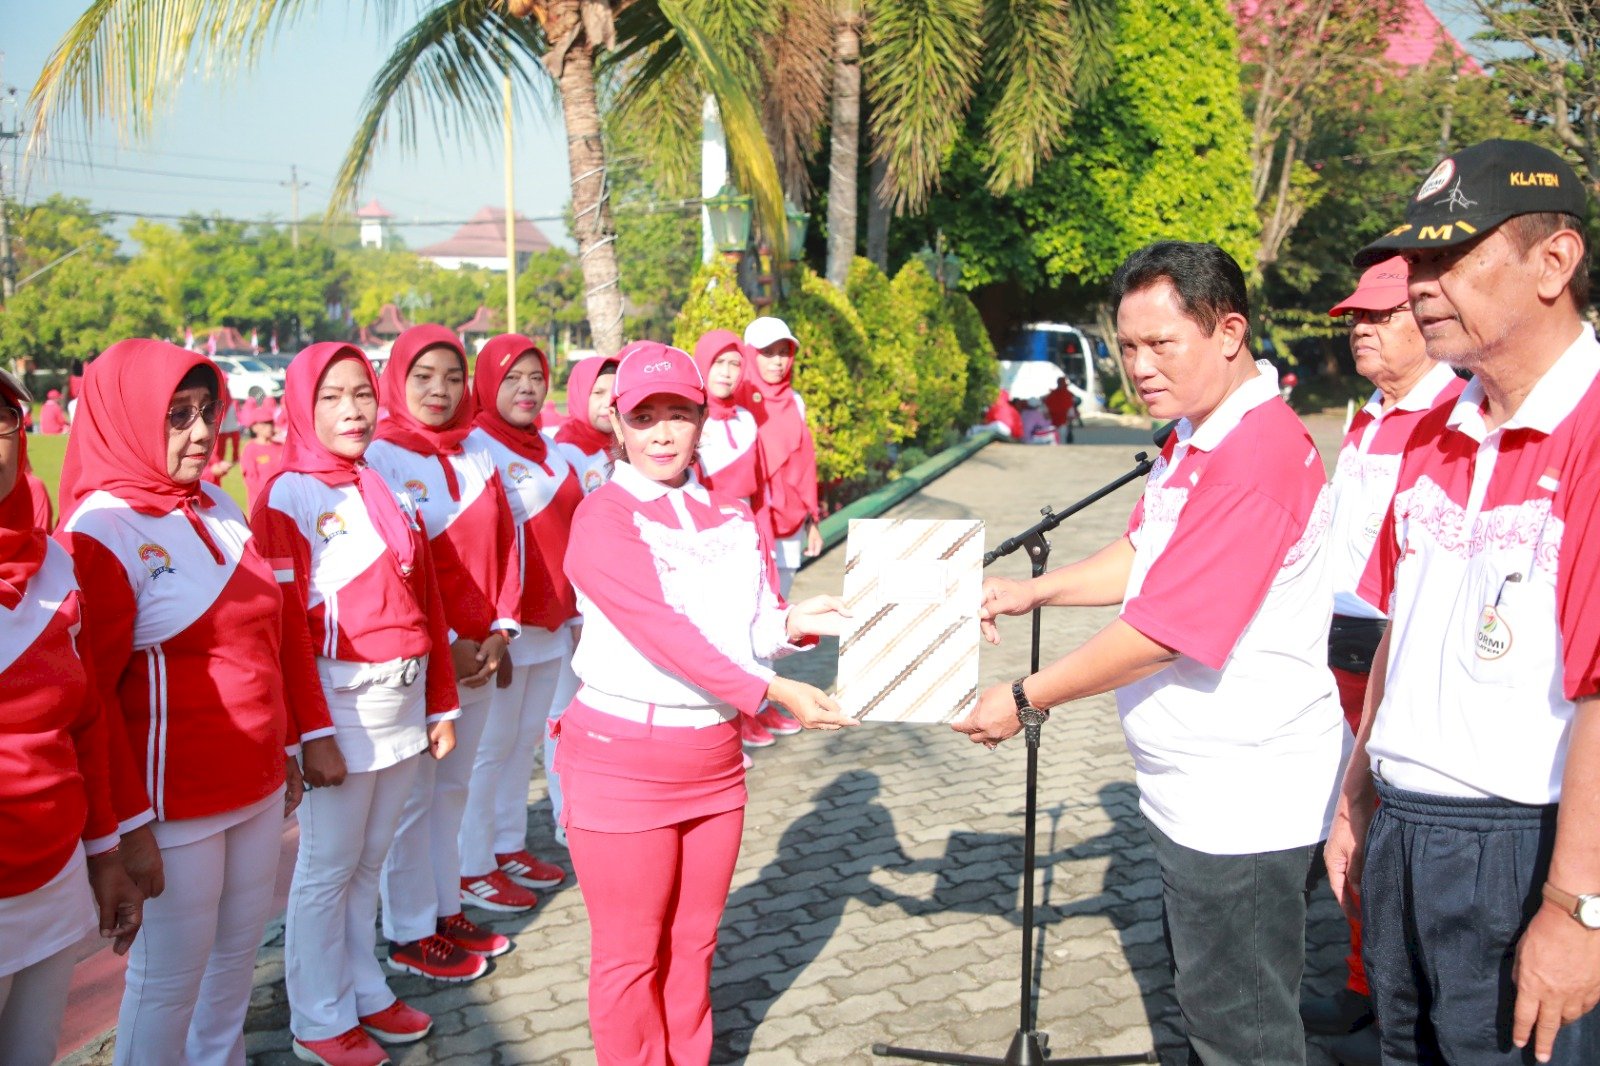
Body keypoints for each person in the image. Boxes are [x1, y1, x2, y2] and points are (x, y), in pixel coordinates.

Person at [956, 241, 1345, 1066]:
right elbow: (1146, 558)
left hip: (1243, 799)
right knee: (1217, 1011)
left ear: (1229, 332)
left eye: (1162, 344)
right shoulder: (1194, 438)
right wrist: (1038, 589)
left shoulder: (1254, 456)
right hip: (1197, 788)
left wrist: (1025, 697)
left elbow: (1165, 631)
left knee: (1243, 1034)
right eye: (1128, 346)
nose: (1139, 366)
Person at [1325, 138, 1600, 1066]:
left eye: (1450, 258)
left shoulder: (1592, 431)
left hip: (1525, 849)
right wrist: (1357, 797)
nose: (1420, 285)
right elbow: (1400, 624)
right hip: (1405, 827)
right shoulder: (1435, 427)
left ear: (1554, 263)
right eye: (1419, 261)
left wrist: (1577, 909)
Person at [557, 340, 855, 1065]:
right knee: (631, 955)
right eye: (645, 415)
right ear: (618, 425)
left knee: (693, 942)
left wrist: (796, 622)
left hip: (714, 761)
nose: (663, 432)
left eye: (679, 414)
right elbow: (667, 637)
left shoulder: (729, 516)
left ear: (702, 421)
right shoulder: (602, 518)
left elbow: (746, 625)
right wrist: (772, 692)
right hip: (623, 761)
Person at [55, 340, 302, 1066]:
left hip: (255, 787)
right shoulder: (100, 530)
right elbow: (89, 700)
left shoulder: (219, 504)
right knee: (168, 985)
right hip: (172, 810)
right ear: (128, 418)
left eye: (206, 412)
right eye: (177, 416)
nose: (200, 433)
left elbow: (263, 642)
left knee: (234, 968)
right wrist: (125, 831)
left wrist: (284, 749)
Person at [253, 343, 459, 1066]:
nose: (352, 410)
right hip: (338, 708)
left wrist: (440, 706)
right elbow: (283, 628)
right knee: (326, 868)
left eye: (362, 394)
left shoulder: (384, 486)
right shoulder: (287, 495)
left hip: (402, 706)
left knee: (368, 864)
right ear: (303, 407)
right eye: (333, 396)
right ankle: (316, 1019)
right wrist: (310, 734)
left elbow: (426, 603)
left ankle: (363, 988)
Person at [1299, 256, 1464, 1066]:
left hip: (1395, 649)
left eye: (1379, 316)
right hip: (1333, 640)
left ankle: (1392, 997)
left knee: (1384, 829)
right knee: (1348, 825)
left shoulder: (1450, 415)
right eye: (1355, 318)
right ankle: (1366, 988)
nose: (1361, 330)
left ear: (1425, 320)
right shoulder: (1369, 411)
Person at [366, 325, 521, 980]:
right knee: (411, 801)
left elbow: (509, 545)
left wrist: (501, 629)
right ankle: (407, 933)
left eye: (453, 377)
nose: (439, 390)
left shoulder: (476, 451)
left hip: (482, 654)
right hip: (429, 664)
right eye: (423, 375)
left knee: (452, 789)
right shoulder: (379, 458)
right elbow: (403, 571)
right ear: (397, 379)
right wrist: (448, 645)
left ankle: (444, 906)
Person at [0, 367, 142, 1066]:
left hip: (52, 878)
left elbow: (85, 720)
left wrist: (105, 855)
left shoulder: (53, 564)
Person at [461, 333, 579, 902]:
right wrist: (496, 624)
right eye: (511, 378)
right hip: (506, 631)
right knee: (489, 749)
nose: (526, 388)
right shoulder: (476, 448)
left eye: (535, 377)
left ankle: (507, 845)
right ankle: (470, 864)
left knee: (523, 743)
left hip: (551, 624)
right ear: (486, 383)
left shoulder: (549, 447)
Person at [691, 329, 801, 752]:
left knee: (751, 620)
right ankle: (728, 719)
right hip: (705, 535)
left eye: (735, 363)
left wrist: (762, 538)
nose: (727, 371)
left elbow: (756, 488)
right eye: (718, 362)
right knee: (717, 629)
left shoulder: (745, 419)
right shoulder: (691, 417)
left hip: (746, 531)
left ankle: (754, 706)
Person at [742, 316, 822, 596]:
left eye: (784, 352)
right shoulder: (737, 405)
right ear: (750, 355)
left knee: (781, 605)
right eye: (767, 352)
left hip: (790, 522)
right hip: (749, 523)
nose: (778, 361)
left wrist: (813, 520)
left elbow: (805, 467)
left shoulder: (796, 402)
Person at [552, 354, 617, 495]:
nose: (608, 403)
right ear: (579, 395)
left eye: (614, 394)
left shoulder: (628, 440)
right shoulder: (566, 450)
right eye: (598, 393)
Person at [239, 397, 285, 507]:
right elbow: (251, 480)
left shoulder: (281, 446)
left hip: (284, 502)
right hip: (262, 504)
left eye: (270, 423)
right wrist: (271, 494)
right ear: (254, 428)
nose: (269, 427)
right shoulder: (250, 449)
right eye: (264, 424)